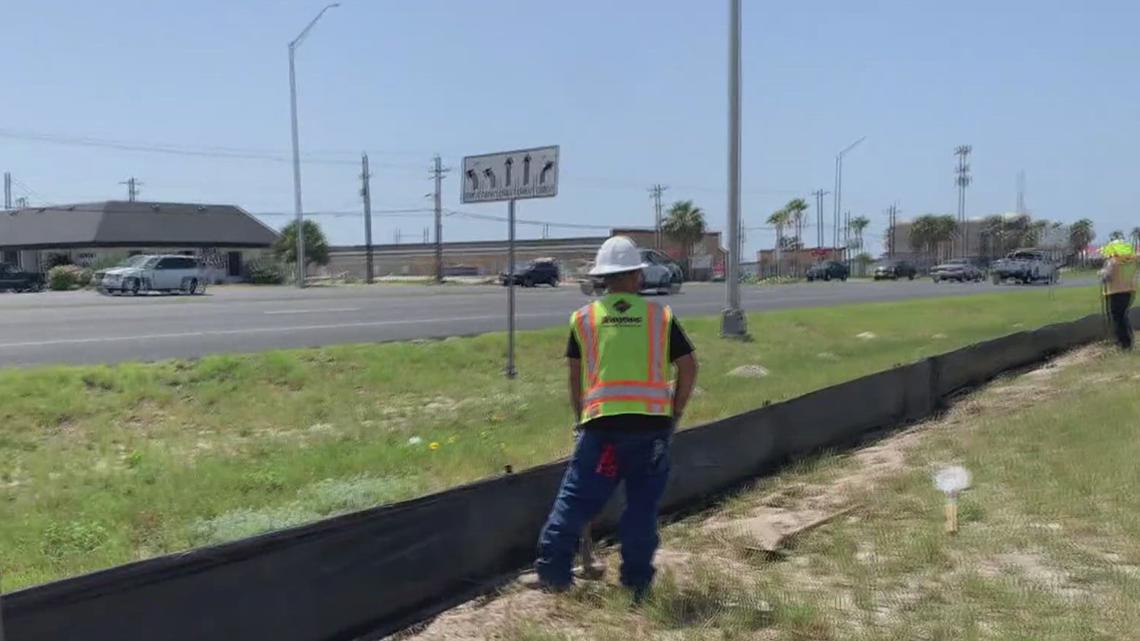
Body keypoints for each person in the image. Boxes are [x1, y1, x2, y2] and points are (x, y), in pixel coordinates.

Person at [531, 236, 699, 599]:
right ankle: (637, 585)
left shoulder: (583, 319)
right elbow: (688, 367)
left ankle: (553, 575)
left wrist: (582, 419)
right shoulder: (660, 316)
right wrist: (675, 412)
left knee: (575, 501)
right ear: (637, 276)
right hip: (650, 429)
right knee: (641, 506)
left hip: (601, 428)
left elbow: (575, 376)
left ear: (602, 278)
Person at [1099, 240, 1137, 350]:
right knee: (1123, 316)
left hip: (1115, 292)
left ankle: (1124, 343)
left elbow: (1107, 277)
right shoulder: (1131, 260)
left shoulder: (1113, 262)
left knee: (1118, 318)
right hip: (1129, 291)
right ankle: (1128, 340)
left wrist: (1101, 273)